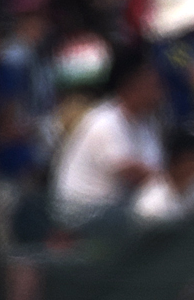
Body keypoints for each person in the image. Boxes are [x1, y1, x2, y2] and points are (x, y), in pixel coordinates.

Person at [52, 52, 166, 235]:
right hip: (83, 217)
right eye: (152, 85)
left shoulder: (146, 123)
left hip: (114, 213)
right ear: (132, 87)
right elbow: (136, 175)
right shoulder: (105, 121)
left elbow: (157, 170)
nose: (159, 92)